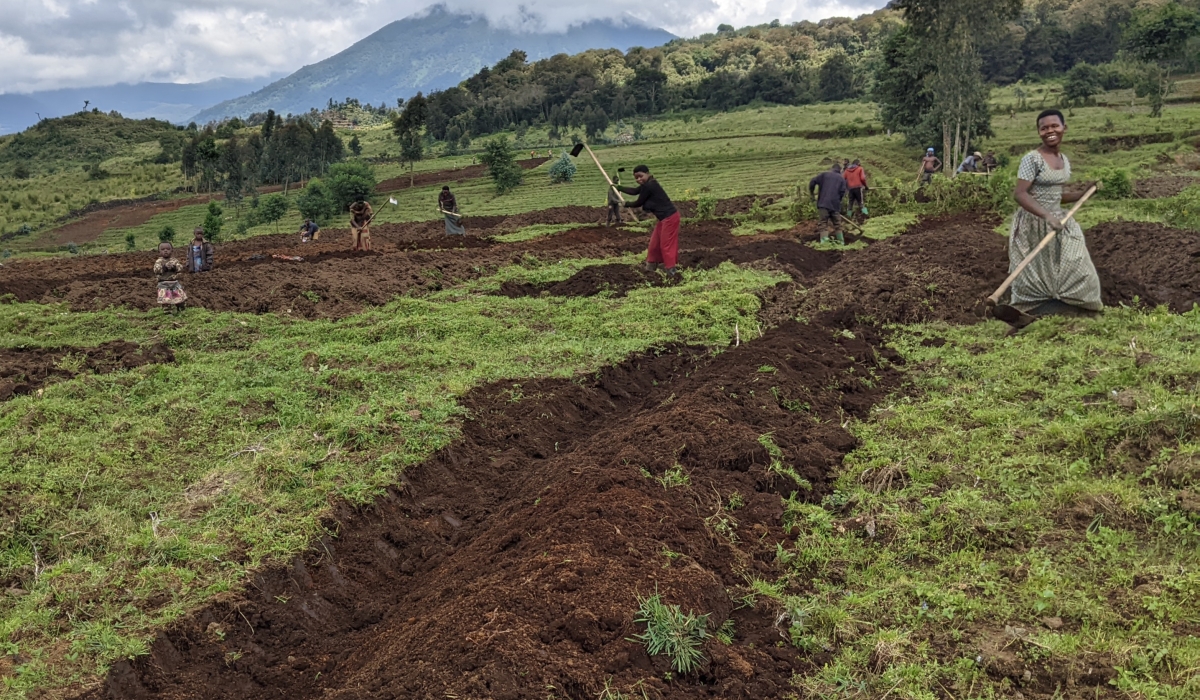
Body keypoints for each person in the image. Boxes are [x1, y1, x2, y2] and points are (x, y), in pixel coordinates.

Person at [993, 109, 1102, 331]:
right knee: (1032, 270)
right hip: (1033, 221)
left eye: (1054, 126)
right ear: (1039, 132)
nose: (1050, 131)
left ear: (1064, 128)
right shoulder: (1031, 159)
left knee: (1076, 260)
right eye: (1044, 128)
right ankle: (1029, 311)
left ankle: (1079, 304)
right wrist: (1046, 216)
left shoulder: (1064, 160)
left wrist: (1083, 193)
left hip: (1059, 220)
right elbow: (1020, 194)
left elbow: (1057, 195)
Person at [616, 165, 681, 276]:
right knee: (654, 244)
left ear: (647, 173)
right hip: (663, 219)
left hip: (670, 217)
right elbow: (635, 191)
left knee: (666, 244)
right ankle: (650, 268)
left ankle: (671, 270)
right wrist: (619, 188)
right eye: (636, 178)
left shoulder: (650, 186)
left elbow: (639, 202)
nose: (639, 179)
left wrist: (626, 204)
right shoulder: (646, 184)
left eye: (640, 176)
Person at [809, 163, 848, 245]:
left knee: (823, 223)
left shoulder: (824, 175)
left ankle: (824, 242)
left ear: (832, 168)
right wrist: (838, 201)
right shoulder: (842, 179)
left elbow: (812, 182)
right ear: (840, 171)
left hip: (823, 203)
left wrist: (812, 193)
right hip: (835, 205)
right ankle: (841, 242)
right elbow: (842, 192)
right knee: (837, 224)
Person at [154, 242, 186, 314]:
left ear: (172, 250)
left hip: (174, 282)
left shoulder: (174, 260)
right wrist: (164, 267)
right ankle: (167, 312)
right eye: (163, 249)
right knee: (165, 299)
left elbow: (180, 268)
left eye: (168, 249)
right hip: (163, 283)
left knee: (179, 297)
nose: (165, 251)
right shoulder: (159, 261)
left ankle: (181, 308)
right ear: (159, 251)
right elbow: (156, 270)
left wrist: (174, 267)